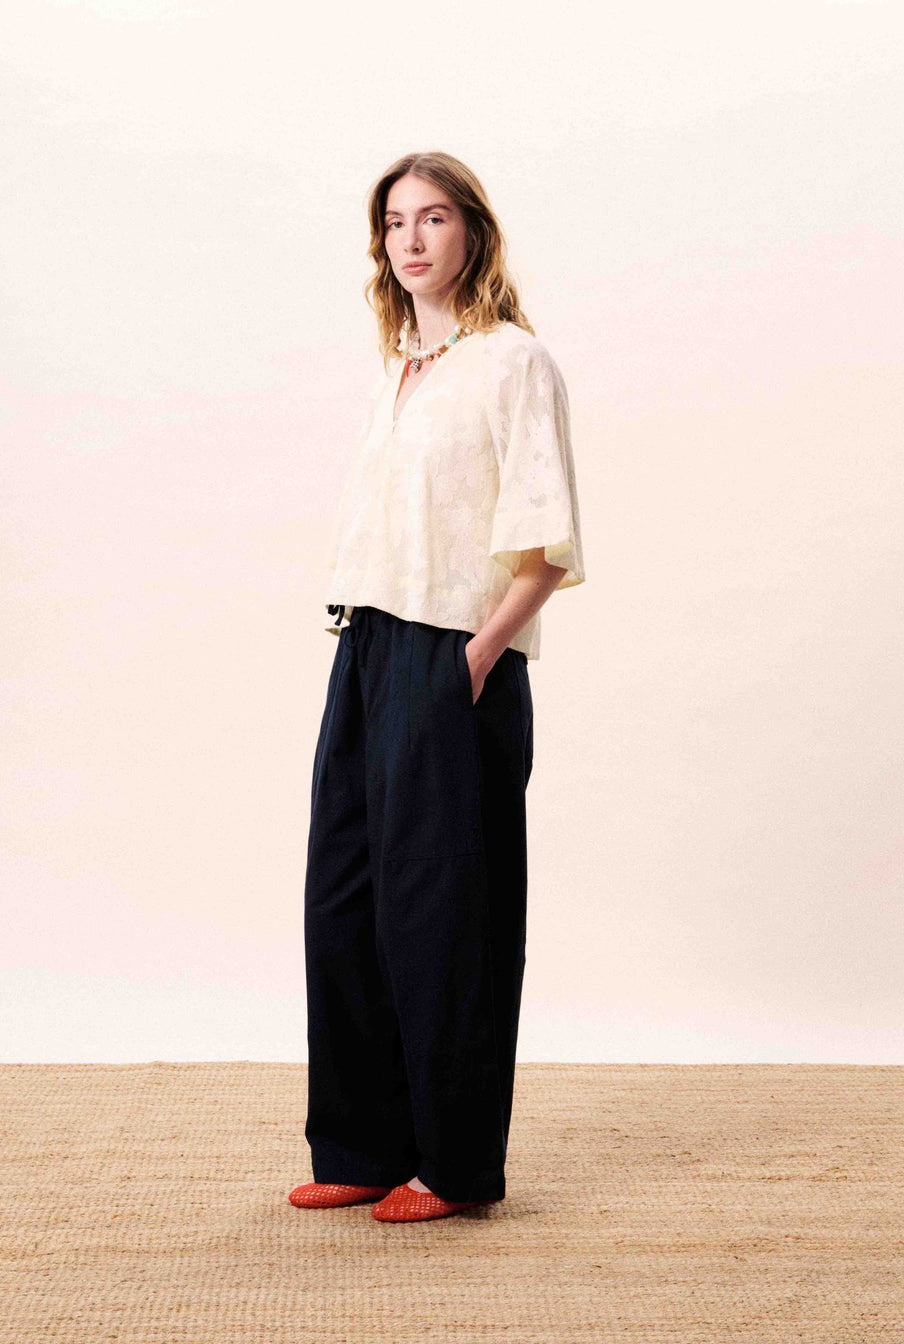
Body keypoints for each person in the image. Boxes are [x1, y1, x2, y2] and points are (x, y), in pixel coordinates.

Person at [289, 151, 585, 1224]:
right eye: (395, 222)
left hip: (453, 654)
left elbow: (546, 546)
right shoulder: (400, 371)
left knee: (446, 912)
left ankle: (454, 1166)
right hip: (365, 647)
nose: (411, 239)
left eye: (434, 218)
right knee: (345, 898)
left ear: (473, 233)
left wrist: (474, 658)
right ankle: (364, 1145)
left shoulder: (512, 362)